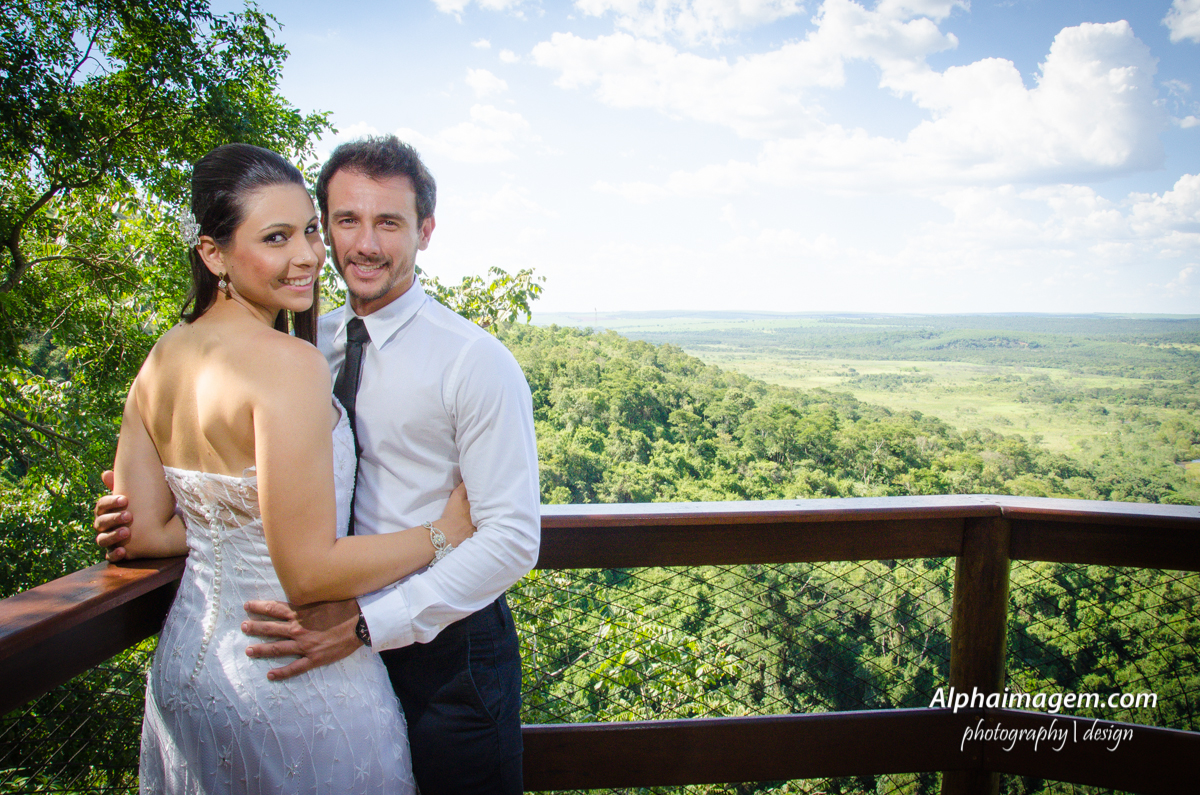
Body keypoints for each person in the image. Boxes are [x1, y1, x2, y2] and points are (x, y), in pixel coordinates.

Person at [96, 136, 542, 795]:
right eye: (342, 221)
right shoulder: (308, 342)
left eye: (388, 222)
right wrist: (207, 520)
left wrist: (368, 625)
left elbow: (511, 538)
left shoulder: (473, 362)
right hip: (304, 651)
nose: (362, 244)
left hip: (445, 657)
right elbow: (269, 509)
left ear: (425, 231)